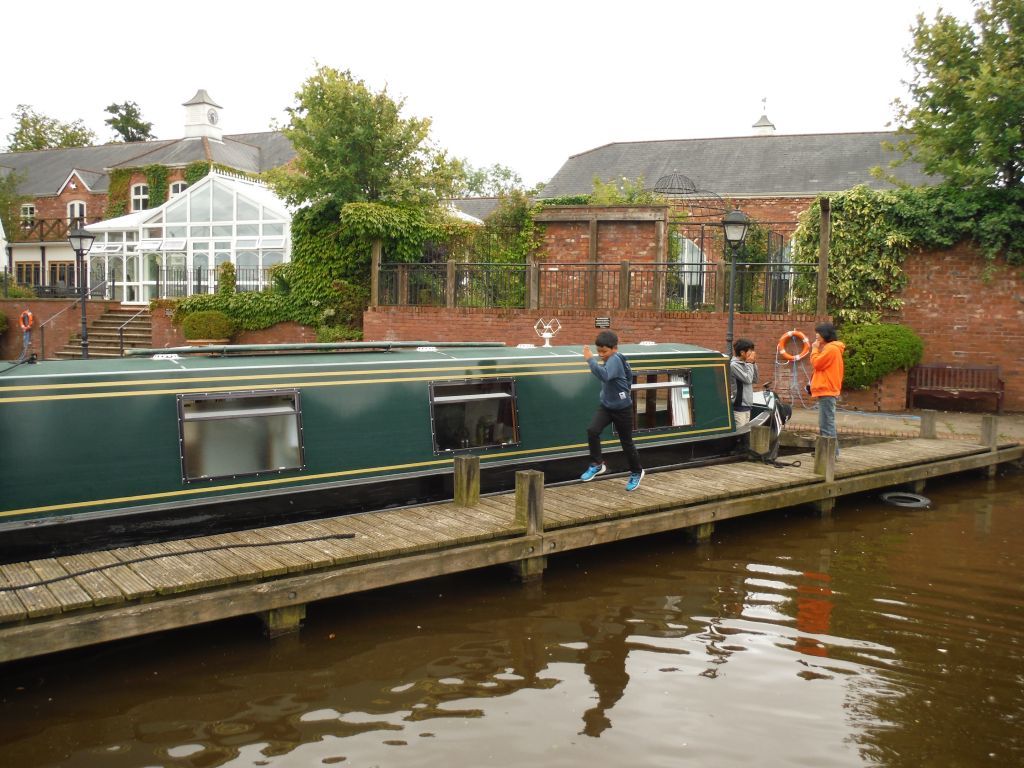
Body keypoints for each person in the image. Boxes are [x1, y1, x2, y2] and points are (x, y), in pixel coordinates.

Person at [580, 330, 644, 491]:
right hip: (607, 406)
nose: (601, 354)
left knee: (626, 443)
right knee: (592, 430)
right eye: (598, 351)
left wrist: (590, 359)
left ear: (614, 348)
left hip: (622, 410)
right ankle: (597, 464)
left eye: (604, 351)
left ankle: (637, 472)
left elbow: (605, 376)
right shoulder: (611, 357)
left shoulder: (614, 359)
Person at [810, 322, 845, 457]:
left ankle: (830, 454)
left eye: (818, 333)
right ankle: (827, 451)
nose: (816, 336)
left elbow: (817, 363)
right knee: (826, 422)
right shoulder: (832, 348)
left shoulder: (831, 349)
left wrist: (814, 349)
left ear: (825, 334)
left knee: (826, 423)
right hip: (828, 390)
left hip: (827, 390)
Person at [729, 338, 759, 427]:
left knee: (746, 432)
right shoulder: (734, 365)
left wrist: (753, 363)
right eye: (750, 351)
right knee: (740, 434)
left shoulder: (746, 363)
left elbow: (755, 379)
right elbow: (748, 379)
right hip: (739, 406)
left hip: (747, 405)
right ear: (742, 352)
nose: (753, 353)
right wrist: (749, 363)